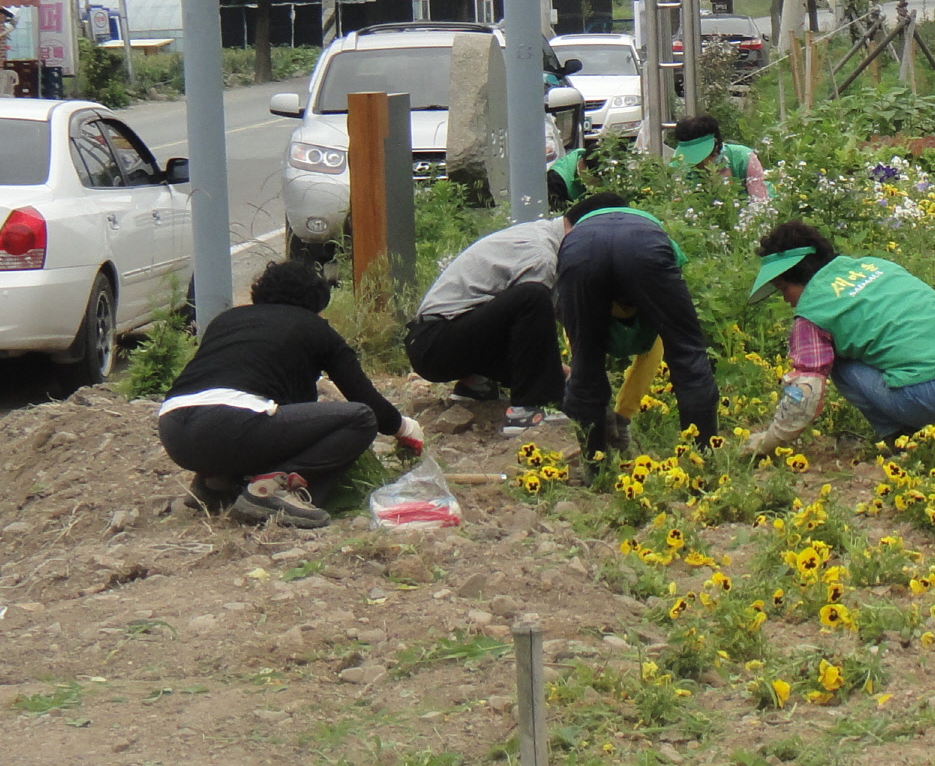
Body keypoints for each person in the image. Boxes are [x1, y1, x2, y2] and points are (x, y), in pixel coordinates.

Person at [157, 260, 421, 528]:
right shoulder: (315, 328)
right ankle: (270, 491)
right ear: (316, 302)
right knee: (360, 419)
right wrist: (403, 427)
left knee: (264, 414)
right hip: (232, 426)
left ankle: (215, 484)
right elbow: (364, 398)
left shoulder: (227, 320)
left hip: (174, 430)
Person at [743, 221, 935, 454]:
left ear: (797, 275)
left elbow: (805, 392)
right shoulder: (876, 265)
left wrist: (770, 442)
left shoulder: (811, 314)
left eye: (783, 289)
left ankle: (900, 439)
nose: (786, 300)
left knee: (839, 364)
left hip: (934, 402)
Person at [555, 193, 719, 458]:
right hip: (644, 246)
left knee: (585, 364)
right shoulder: (647, 225)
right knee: (687, 352)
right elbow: (673, 272)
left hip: (581, 251)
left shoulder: (574, 235)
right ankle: (704, 458)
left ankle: (596, 466)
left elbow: (568, 315)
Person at [406, 215, 567, 435]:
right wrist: (559, 376)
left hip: (437, 342)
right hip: (436, 342)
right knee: (533, 296)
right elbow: (532, 329)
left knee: (552, 374)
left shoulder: (538, 233)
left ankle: (475, 386)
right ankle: (524, 413)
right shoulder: (541, 254)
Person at [671, 114, 771, 202]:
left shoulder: (743, 158)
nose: (697, 163)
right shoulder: (683, 168)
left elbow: (760, 203)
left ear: (715, 145)